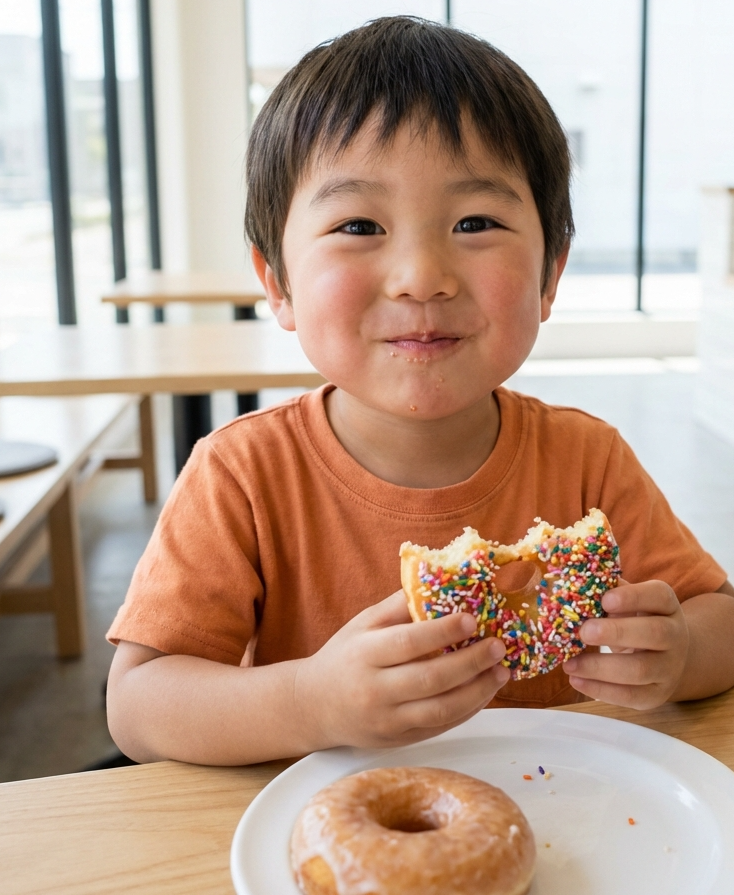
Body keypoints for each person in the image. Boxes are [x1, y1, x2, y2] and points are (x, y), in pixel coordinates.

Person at [106, 17, 734, 766]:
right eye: (359, 224)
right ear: (277, 282)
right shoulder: (241, 474)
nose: (420, 275)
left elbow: (718, 621)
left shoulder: (586, 460)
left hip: (567, 819)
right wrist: (311, 700)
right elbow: (139, 704)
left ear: (550, 275)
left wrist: (679, 650)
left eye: (475, 221)